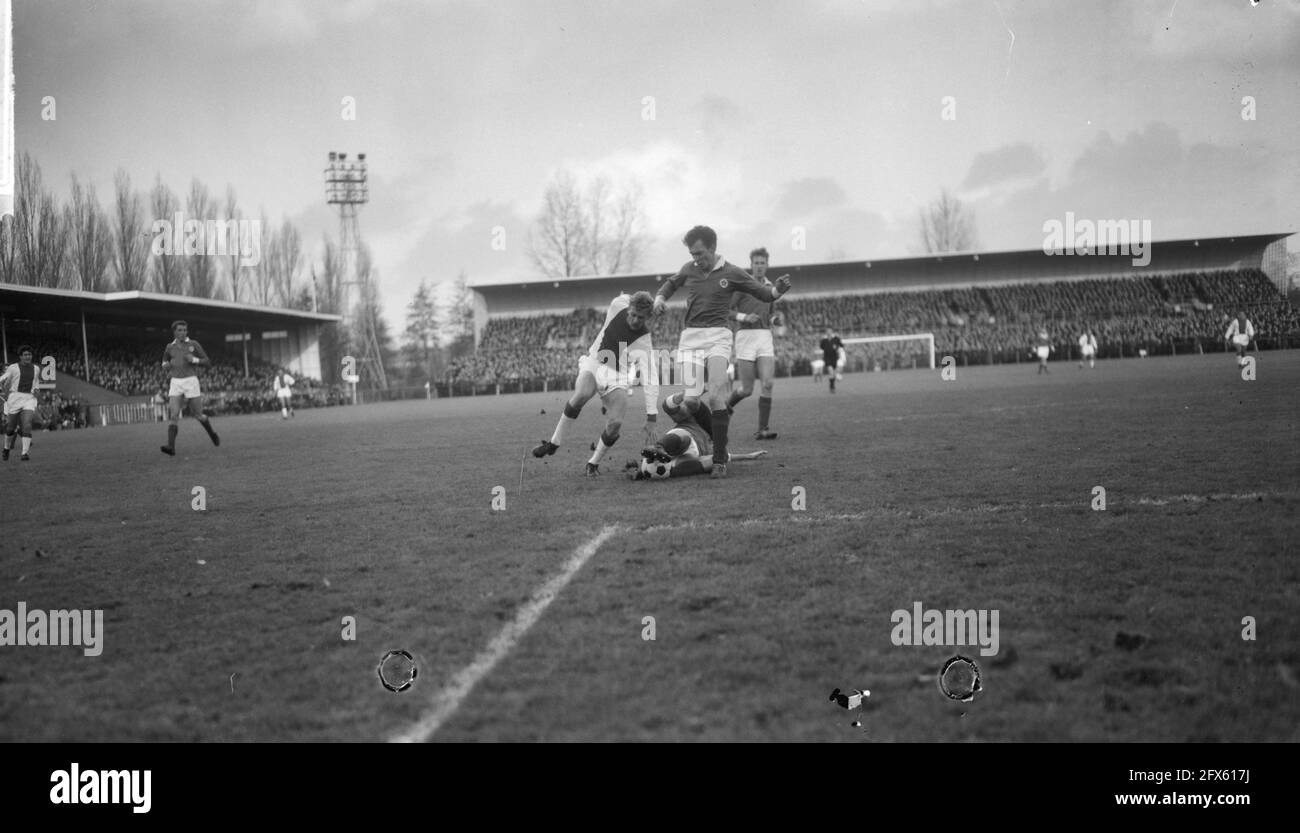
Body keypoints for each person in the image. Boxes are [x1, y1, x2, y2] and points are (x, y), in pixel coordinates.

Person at [652, 226, 791, 478]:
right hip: (691, 337)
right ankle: (684, 417)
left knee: (716, 396)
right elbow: (671, 284)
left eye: (700, 253)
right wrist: (659, 299)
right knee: (692, 400)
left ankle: (719, 460)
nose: (696, 258)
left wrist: (777, 291)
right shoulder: (689, 269)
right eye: (693, 253)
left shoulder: (732, 272)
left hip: (718, 336)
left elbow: (761, 292)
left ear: (713, 248)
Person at [533, 291, 660, 476]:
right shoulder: (618, 304)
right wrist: (657, 301)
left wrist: (651, 417)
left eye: (640, 318)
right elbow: (629, 297)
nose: (634, 320)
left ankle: (592, 464)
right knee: (582, 394)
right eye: (632, 314)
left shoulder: (644, 341)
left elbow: (651, 379)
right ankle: (553, 443)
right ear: (628, 309)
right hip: (595, 363)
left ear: (648, 317)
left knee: (615, 423)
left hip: (617, 377)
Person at [627, 392, 768, 479]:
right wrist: (686, 393)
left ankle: (642, 471)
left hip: (690, 455)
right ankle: (658, 447)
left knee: (714, 461)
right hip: (677, 442)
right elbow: (667, 405)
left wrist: (749, 456)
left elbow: (727, 456)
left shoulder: (718, 440)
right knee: (685, 439)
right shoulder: (691, 417)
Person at [727, 247, 784, 440]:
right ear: (751, 265)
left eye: (762, 263)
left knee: (768, 383)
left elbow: (771, 313)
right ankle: (725, 408)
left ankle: (763, 429)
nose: (759, 266)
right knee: (747, 389)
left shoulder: (771, 288)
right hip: (745, 337)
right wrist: (744, 316)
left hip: (764, 337)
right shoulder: (743, 286)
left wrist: (776, 320)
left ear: (767, 265)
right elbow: (727, 311)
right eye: (756, 263)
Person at [159, 320, 220, 456]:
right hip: (175, 382)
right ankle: (171, 446)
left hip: (191, 381)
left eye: (185, 330)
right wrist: (165, 366)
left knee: (198, 415)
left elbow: (208, 362)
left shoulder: (193, 344)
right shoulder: (169, 347)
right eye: (180, 330)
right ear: (174, 332)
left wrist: (194, 360)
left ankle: (212, 433)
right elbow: (164, 361)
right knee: (174, 415)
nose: (183, 333)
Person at [0, 345, 39, 461]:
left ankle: (24, 453)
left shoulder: (36, 368)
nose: (28, 357)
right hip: (15, 398)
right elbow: (4, 378)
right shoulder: (13, 367)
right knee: (10, 428)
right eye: (25, 355)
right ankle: (6, 448)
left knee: (27, 425)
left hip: (29, 399)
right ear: (21, 357)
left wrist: (36, 389)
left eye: (29, 355)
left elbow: (36, 382)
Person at [819, 328, 843, 393]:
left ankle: (832, 386)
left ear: (832, 332)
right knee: (830, 370)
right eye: (827, 332)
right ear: (826, 333)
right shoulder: (824, 340)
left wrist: (837, 346)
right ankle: (832, 387)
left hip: (834, 358)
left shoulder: (836, 339)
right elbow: (821, 347)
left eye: (830, 331)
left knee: (832, 373)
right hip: (827, 358)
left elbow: (841, 345)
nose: (828, 333)